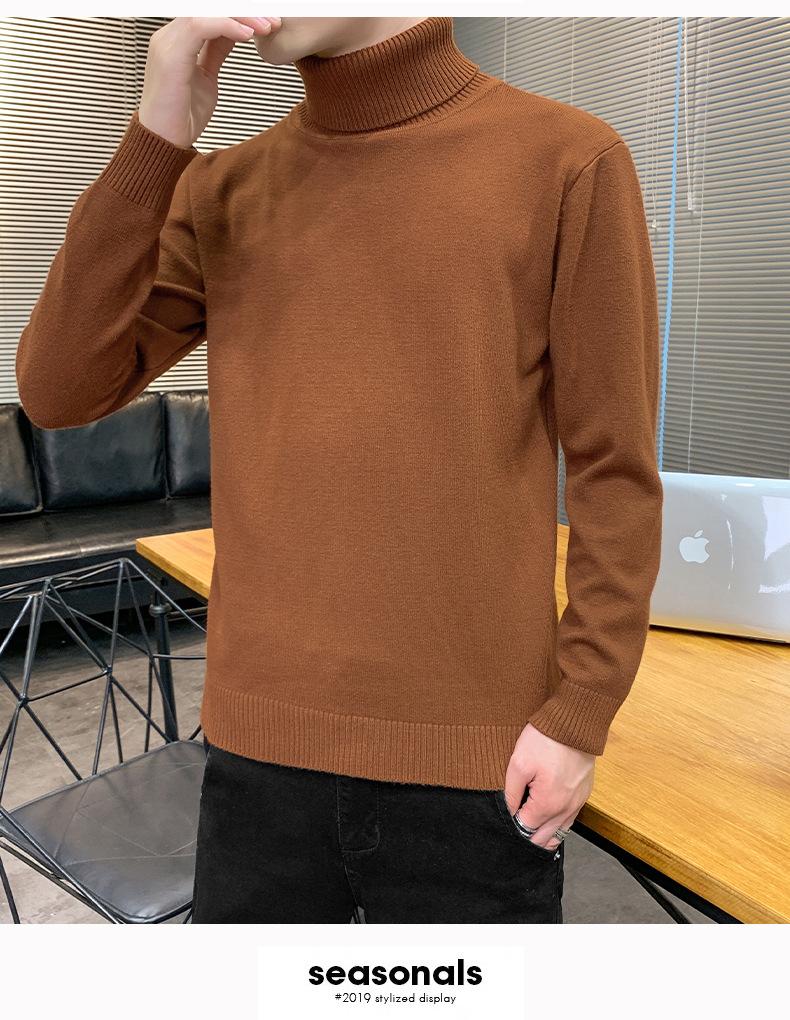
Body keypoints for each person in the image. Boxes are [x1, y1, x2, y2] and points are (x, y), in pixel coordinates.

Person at [15, 16, 663, 924]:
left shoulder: (565, 160)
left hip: (479, 762)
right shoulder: (225, 188)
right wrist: (158, 137)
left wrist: (580, 712)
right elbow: (58, 389)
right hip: (256, 756)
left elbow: (614, 469)